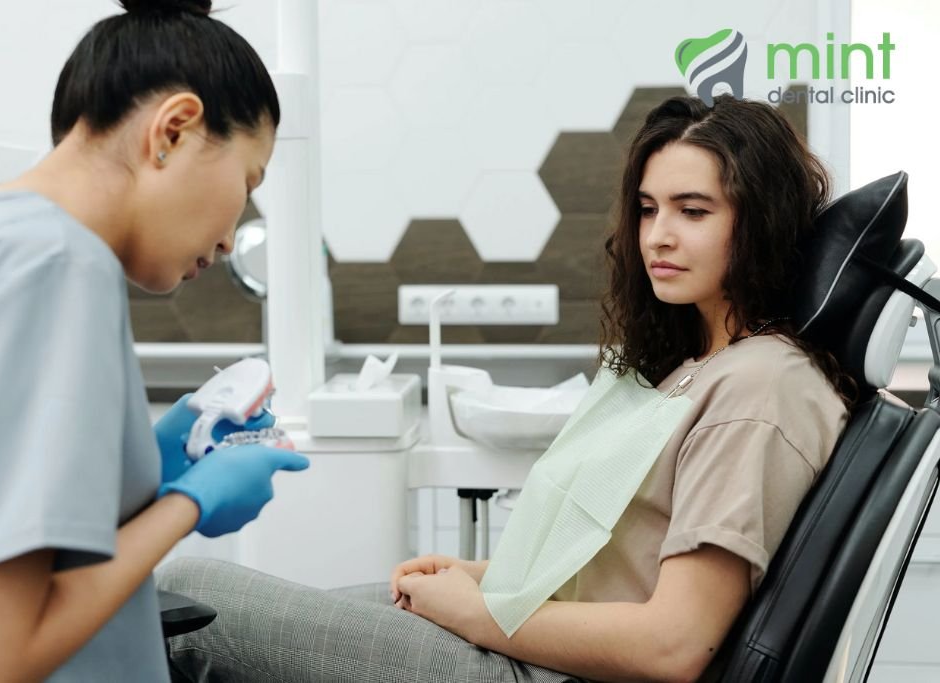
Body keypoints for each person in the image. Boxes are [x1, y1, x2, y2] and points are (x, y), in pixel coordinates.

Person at [156, 94, 854, 683]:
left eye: (693, 211)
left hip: (543, 671)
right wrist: (483, 574)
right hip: (528, 641)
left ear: (761, 222)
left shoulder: (761, 386)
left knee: (189, 599)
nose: (658, 237)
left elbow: (675, 644)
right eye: (648, 209)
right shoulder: (699, 364)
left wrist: (477, 613)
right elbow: (616, 561)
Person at [0, 1, 308, 681]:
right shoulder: (55, 267)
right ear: (173, 130)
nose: (228, 238)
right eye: (248, 181)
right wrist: (188, 504)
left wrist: (144, 472)